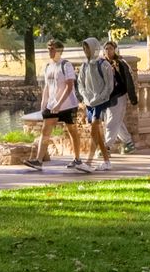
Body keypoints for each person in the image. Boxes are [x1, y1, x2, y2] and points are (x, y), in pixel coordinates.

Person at [30, 39, 80, 172]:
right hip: (52, 106)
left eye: (53, 49)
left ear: (59, 50)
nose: (50, 52)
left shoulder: (66, 65)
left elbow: (69, 86)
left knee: (72, 131)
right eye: (49, 49)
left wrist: (60, 104)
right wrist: (43, 103)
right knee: (45, 131)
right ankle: (38, 160)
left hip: (68, 105)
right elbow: (47, 86)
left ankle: (77, 159)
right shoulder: (48, 66)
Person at [75, 38, 117, 170]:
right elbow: (80, 84)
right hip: (89, 103)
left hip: (100, 102)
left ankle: (88, 162)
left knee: (94, 127)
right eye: (84, 48)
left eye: (87, 47)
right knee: (96, 133)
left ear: (93, 48)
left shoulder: (104, 65)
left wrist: (99, 98)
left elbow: (109, 86)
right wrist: (86, 97)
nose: (85, 50)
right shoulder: (84, 66)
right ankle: (106, 161)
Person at [102, 39, 137, 155]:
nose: (108, 51)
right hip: (107, 97)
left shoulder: (120, 64)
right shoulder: (102, 64)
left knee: (111, 122)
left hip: (118, 96)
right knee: (116, 121)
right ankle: (129, 143)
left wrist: (132, 97)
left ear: (115, 50)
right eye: (106, 49)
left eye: (110, 48)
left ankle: (106, 147)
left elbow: (128, 81)